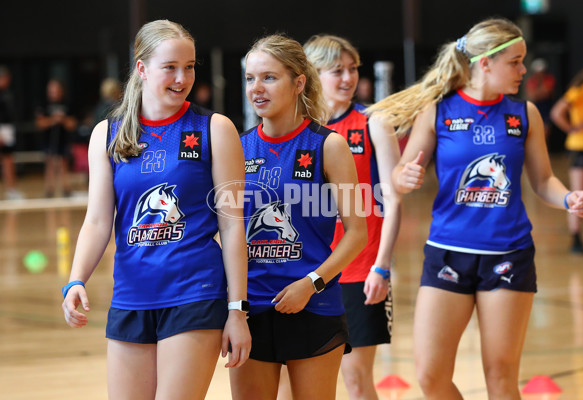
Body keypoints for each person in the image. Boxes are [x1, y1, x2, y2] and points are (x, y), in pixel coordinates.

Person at [368, 18, 583, 399]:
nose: (523, 70)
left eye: (523, 61)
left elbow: (542, 182)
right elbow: (405, 169)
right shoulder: (438, 111)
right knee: (430, 376)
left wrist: (568, 198)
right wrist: (404, 177)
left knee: (501, 379)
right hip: (448, 253)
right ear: (485, 63)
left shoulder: (525, 115)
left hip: (508, 255)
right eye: (515, 62)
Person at [61, 20, 251, 400]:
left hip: (194, 294)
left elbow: (233, 226)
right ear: (142, 69)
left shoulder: (215, 129)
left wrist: (237, 310)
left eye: (190, 66)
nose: (182, 77)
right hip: (131, 296)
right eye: (171, 67)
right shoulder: (109, 133)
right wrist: (76, 279)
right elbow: (98, 221)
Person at [230, 34, 368, 400]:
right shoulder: (236, 148)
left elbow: (357, 234)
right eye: (249, 78)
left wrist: (312, 283)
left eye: (269, 78)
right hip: (251, 309)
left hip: (314, 306)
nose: (256, 88)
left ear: (299, 82)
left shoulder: (328, 145)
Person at [303, 34, 401, 400]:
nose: (348, 78)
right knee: (305, 379)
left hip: (361, 271)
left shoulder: (373, 122)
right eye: (336, 71)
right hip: (308, 270)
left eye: (353, 69)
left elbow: (392, 202)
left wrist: (383, 266)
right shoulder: (300, 130)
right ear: (312, 75)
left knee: (357, 378)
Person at [550, 55, 583, 254]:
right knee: (579, 194)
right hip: (580, 147)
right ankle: (576, 237)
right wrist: (571, 128)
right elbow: (556, 112)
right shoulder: (581, 90)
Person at [35, 79, 77, 197]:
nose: (54, 93)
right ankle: (49, 189)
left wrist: (63, 120)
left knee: (64, 163)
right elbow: (39, 123)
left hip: (63, 139)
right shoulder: (43, 104)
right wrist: (53, 120)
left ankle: (66, 188)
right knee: (50, 164)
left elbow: (73, 124)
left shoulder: (67, 103)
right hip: (48, 139)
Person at [0, 65, 24, 200]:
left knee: (8, 159)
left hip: (7, 129)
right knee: (7, 159)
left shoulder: (7, 93)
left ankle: (10, 189)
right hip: (2, 129)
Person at [525, 58, 556, 138]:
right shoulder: (531, 80)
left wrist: (538, 92)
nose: (539, 74)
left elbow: (546, 93)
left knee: (546, 130)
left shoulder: (549, 78)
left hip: (546, 106)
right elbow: (531, 96)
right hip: (536, 106)